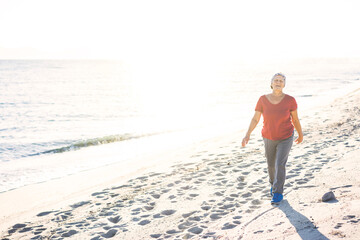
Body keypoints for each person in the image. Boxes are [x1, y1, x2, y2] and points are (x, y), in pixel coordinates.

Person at [242, 73, 303, 204]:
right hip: (268, 136)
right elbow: (255, 119)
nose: (278, 82)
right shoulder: (262, 99)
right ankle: (273, 184)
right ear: (271, 83)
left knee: (280, 164)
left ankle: (278, 192)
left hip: (286, 136)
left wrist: (300, 134)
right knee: (271, 165)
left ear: (284, 84)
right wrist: (247, 134)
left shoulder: (290, 100)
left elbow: (295, 119)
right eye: (276, 80)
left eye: (281, 81)